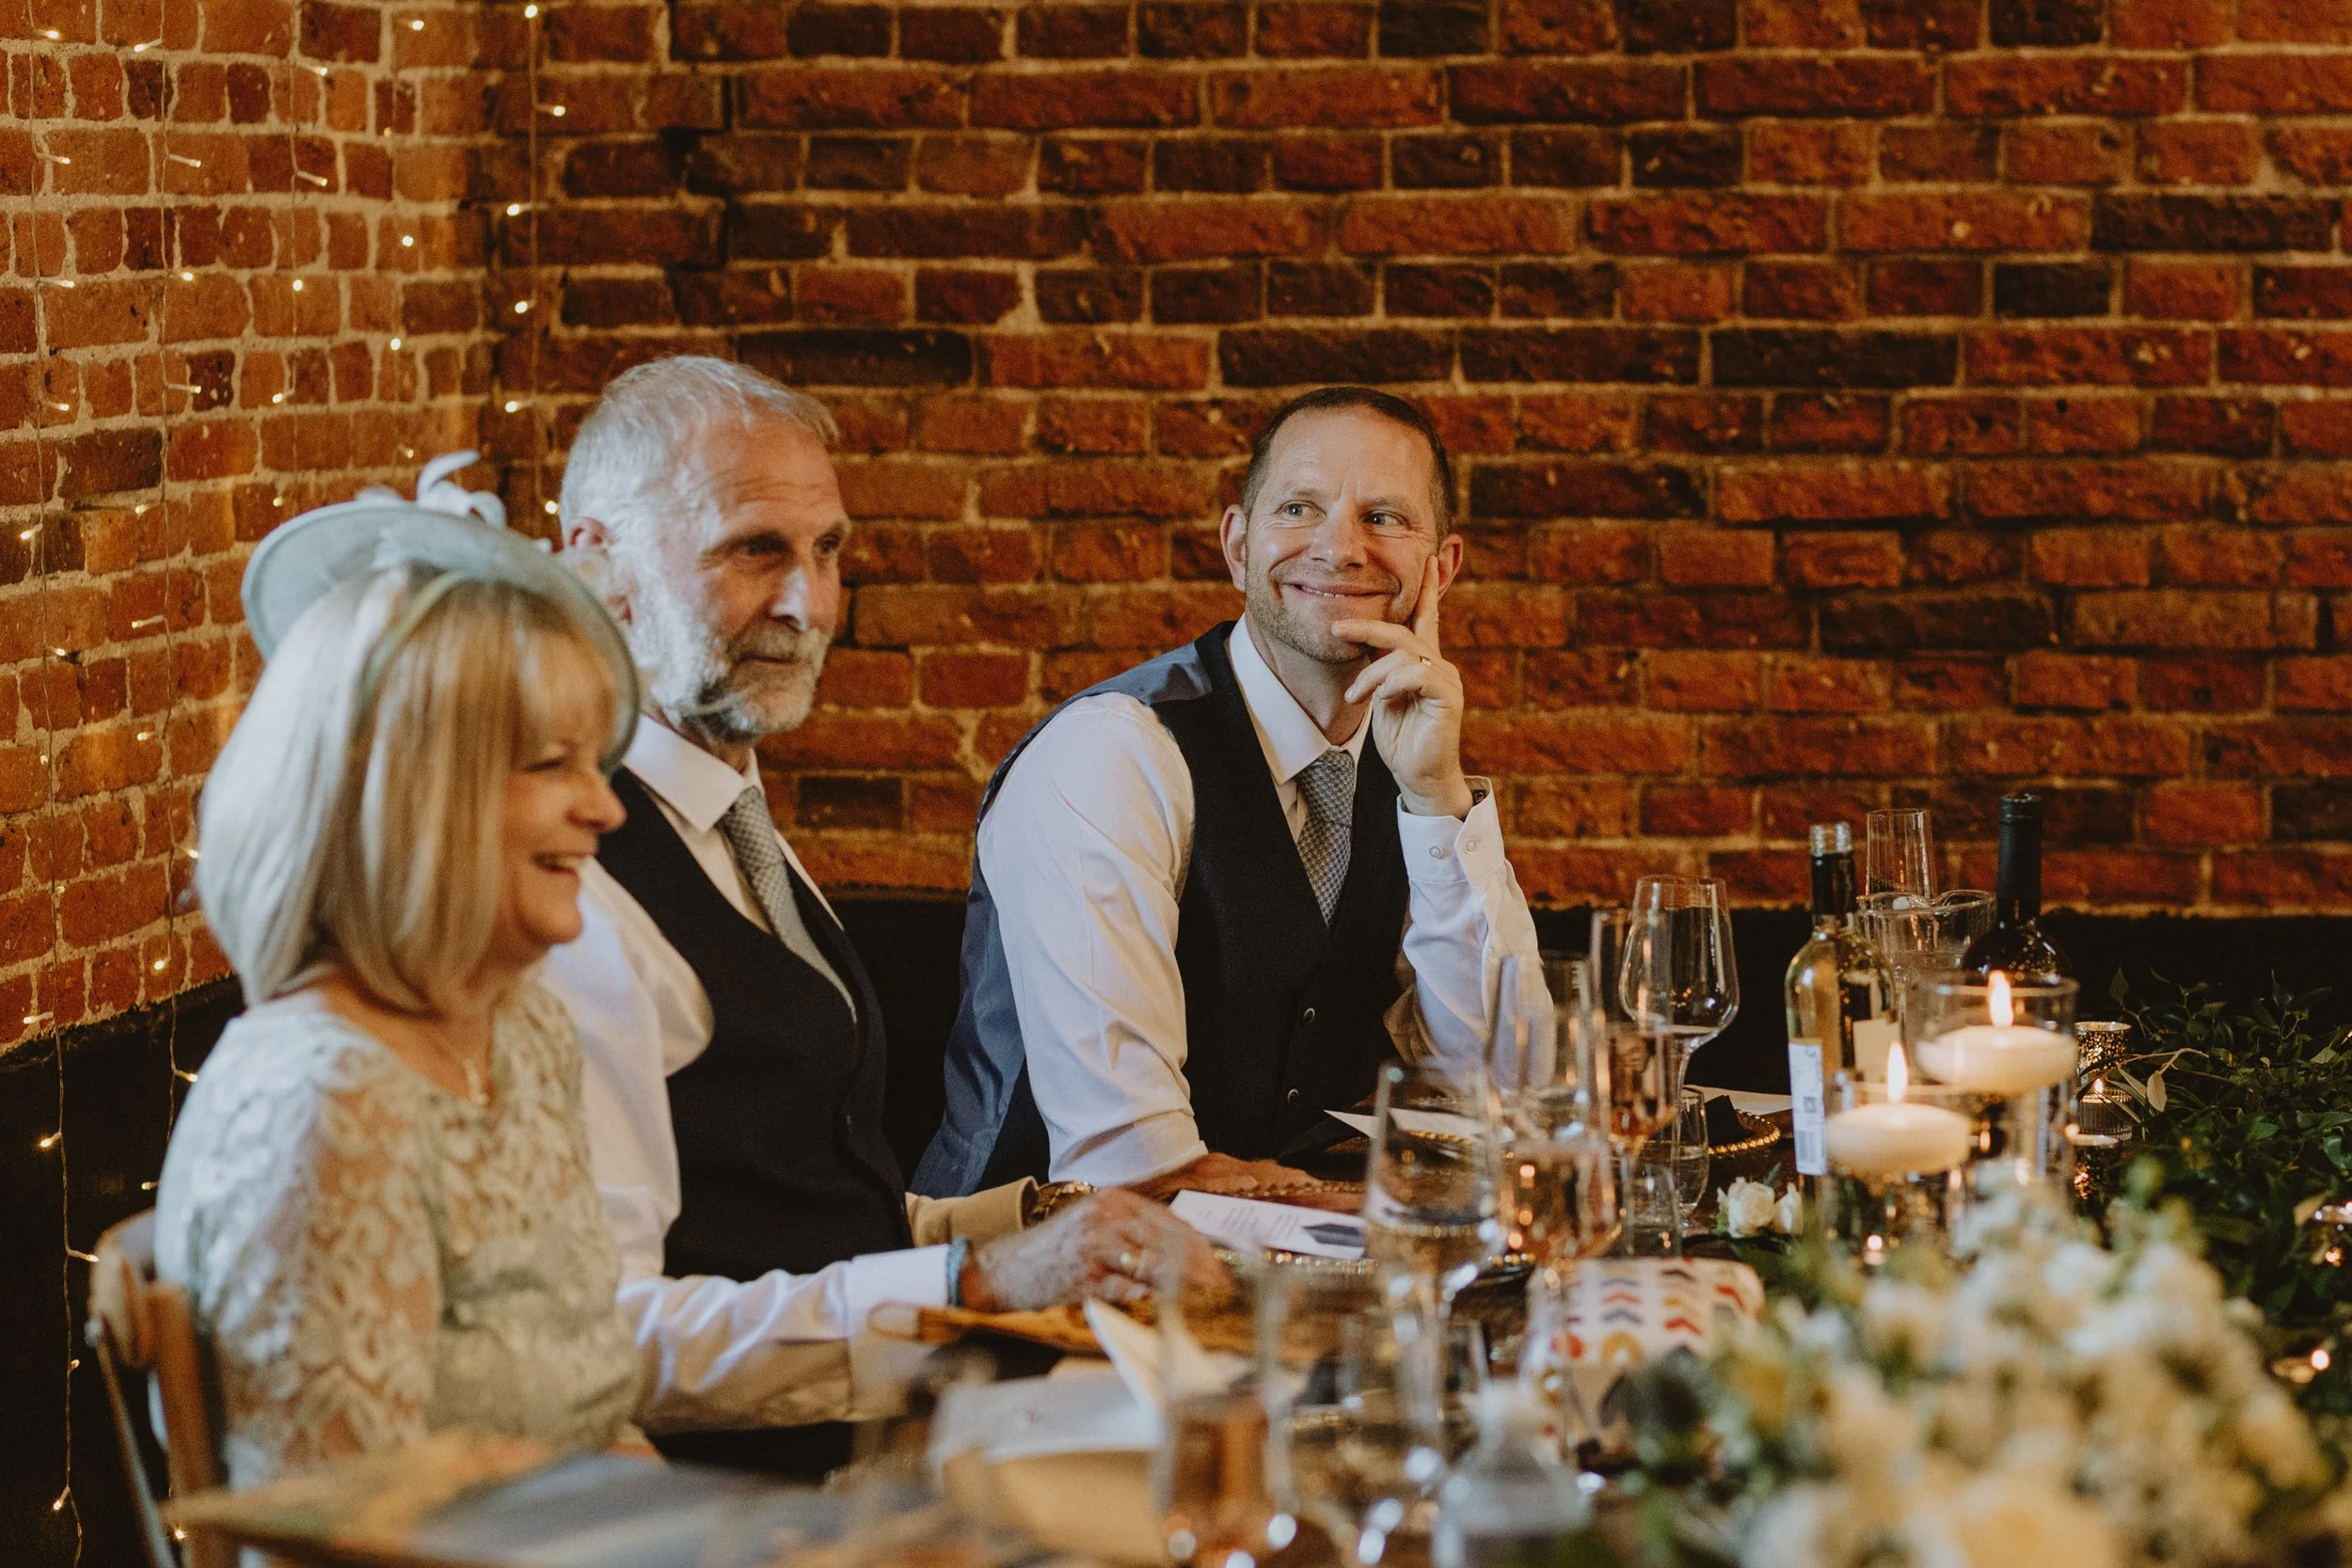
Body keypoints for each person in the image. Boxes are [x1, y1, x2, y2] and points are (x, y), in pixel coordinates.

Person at [545, 356, 1214, 1475]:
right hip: (745, 1505)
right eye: (754, 548)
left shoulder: (731, 813)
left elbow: (786, 1204)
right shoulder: (575, 890)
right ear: (598, 566)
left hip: (891, 1433)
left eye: (829, 550)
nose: (810, 604)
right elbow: (614, 1339)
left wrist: (1033, 1217)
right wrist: (978, 1283)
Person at [915, 387, 1544, 1199]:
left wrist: (1435, 798)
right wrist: (1374, 1220)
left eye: (1384, 517)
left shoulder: (1409, 762)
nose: (1340, 547)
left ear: (1441, 567)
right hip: (1031, 1284)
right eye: (1298, 506)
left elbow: (1513, 1087)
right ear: (1238, 545)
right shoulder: (1113, 755)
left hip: (1271, 1275)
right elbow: (1131, 1170)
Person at [153, 457, 647, 1488]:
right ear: (422, 798)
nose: (606, 810)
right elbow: (334, 1541)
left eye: (597, 766)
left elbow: (601, 1431)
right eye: (554, 763)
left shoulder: (520, 1031)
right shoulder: (328, 1095)